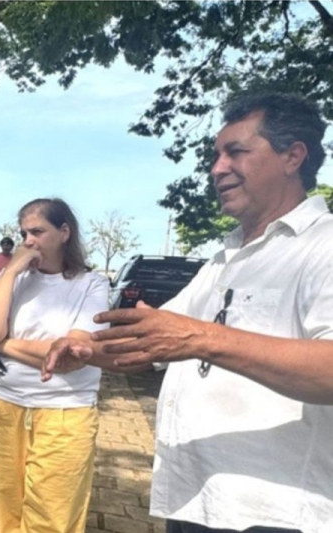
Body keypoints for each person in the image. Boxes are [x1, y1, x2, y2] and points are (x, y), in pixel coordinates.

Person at [44, 93, 333, 533]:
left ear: (293, 156)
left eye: (236, 152)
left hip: (275, 512)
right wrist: (86, 349)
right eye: (216, 155)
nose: (217, 168)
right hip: (195, 498)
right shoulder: (224, 258)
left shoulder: (322, 246)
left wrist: (201, 338)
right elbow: (153, 339)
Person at [0, 198, 132, 533]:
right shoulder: (11, 279)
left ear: (64, 232)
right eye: (24, 233)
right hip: (2, 406)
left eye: (38, 231)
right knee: (5, 509)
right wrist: (10, 271)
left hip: (64, 412)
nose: (28, 241)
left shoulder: (91, 284)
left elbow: (70, 357)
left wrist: (3, 345)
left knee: (52, 515)